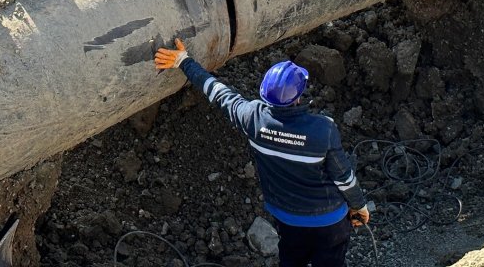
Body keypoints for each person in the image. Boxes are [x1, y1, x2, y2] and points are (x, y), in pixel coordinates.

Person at [155, 39, 369, 267]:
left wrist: (184, 61)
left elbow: (217, 92)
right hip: (329, 223)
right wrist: (359, 207)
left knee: (291, 260)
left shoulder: (252, 119)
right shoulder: (323, 129)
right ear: (298, 95)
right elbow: (344, 178)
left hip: (287, 219)